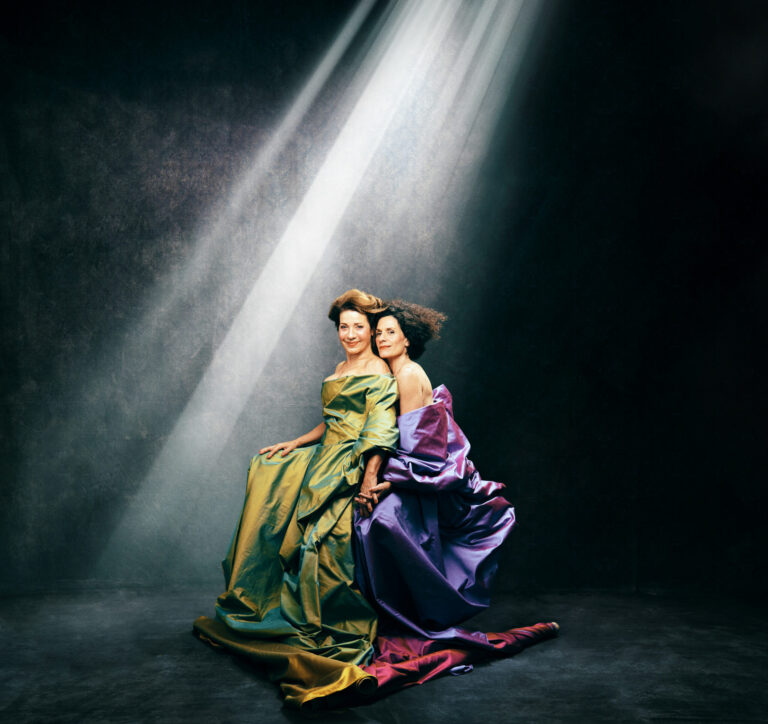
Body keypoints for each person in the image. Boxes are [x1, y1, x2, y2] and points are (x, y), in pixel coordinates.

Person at [194, 289, 400, 708]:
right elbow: (332, 421)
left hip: (349, 461)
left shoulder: (378, 369)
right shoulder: (340, 367)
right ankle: (280, 601)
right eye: (344, 327)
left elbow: (379, 427)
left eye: (358, 327)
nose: (350, 334)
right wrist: (295, 442)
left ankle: (324, 619)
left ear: (370, 329)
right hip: (324, 453)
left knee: (319, 542)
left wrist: (368, 477)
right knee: (266, 467)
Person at [354, 299, 526, 642]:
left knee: (374, 522)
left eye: (391, 333)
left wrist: (387, 483)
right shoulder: (394, 373)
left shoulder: (407, 374)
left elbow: (415, 447)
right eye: (378, 333)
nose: (382, 339)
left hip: (417, 476)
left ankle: (405, 613)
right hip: (406, 469)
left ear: (407, 339)